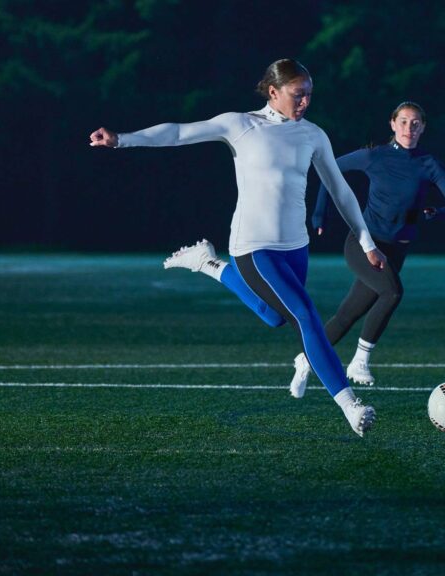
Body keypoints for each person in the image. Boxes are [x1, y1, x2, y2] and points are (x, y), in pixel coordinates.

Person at [89, 59, 387, 437]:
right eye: (298, 94)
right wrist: (122, 139)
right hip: (253, 246)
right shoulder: (241, 125)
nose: (305, 102)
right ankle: (350, 406)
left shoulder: (313, 135)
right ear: (274, 92)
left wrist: (367, 242)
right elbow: (178, 133)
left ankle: (208, 264)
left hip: (295, 247)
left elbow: (341, 191)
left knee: (274, 316)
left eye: (310, 95)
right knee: (305, 315)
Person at [289, 101, 445, 398]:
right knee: (392, 293)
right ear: (392, 124)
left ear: (423, 127)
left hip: (396, 251)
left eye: (415, 123)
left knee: (348, 314)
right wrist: (320, 213)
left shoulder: (430, 165)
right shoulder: (375, 156)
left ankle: (306, 359)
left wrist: (437, 213)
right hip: (364, 242)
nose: (409, 128)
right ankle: (359, 362)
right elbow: (328, 169)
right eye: (403, 122)